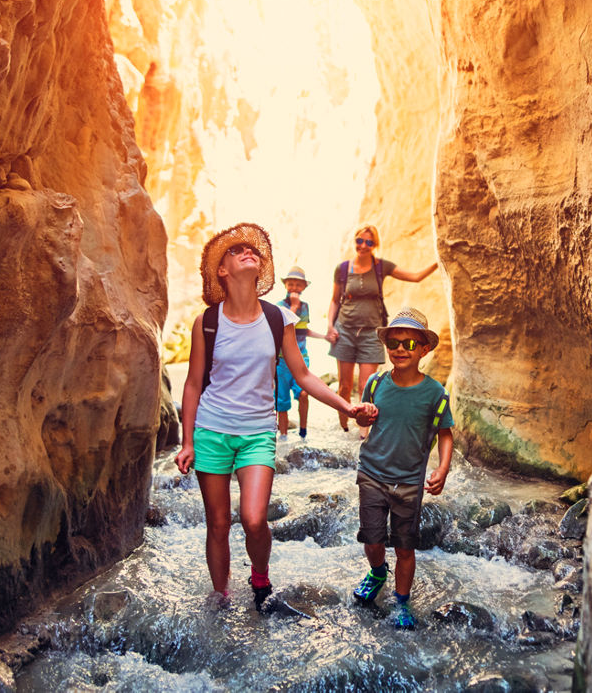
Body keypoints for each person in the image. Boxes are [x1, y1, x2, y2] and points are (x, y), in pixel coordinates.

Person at [175, 223, 376, 611]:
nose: (247, 252)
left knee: (253, 519)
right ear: (223, 270)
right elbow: (193, 384)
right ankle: (220, 599)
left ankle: (260, 574)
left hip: (257, 434)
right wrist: (186, 441)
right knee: (217, 524)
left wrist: (345, 406)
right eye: (236, 251)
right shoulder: (208, 321)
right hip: (211, 431)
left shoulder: (278, 318)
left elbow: (303, 375)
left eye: (252, 250)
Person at [350, 307, 454, 630]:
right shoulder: (376, 382)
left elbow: (445, 434)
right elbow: (363, 421)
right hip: (371, 474)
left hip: (409, 483)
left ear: (423, 349)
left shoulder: (435, 394)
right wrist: (362, 419)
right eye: (394, 342)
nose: (399, 349)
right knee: (372, 539)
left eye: (409, 344)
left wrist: (443, 468)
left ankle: (402, 602)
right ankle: (378, 571)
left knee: (405, 547)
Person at [326, 224, 439, 439]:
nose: (363, 246)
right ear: (355, 241)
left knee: (366, 387)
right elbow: (334, 301)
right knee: (344, 387)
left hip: (370, 333)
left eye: (369, 242)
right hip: (345, 331)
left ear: (375, 245)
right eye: (360, 240)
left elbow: (415, 277)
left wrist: (439, 259)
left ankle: (363, 436)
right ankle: (344, 430)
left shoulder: (381, 267)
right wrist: (330, 326)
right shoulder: (342, 269)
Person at [275, 266, 312, 440]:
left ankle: (303, 431)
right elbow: (281, 325)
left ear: (303, 287)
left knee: (304, 393)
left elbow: (304, 330)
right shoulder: (280, 307)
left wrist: (326, 336)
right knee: (281, 400)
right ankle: (283, 437)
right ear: (285, 286)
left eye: (298, 285)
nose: (294, 288)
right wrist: (294, 306)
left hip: (301, 357)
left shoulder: (306, 307)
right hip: (282, 361)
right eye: (291, 284)